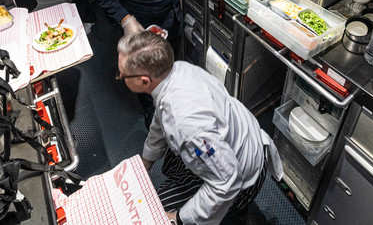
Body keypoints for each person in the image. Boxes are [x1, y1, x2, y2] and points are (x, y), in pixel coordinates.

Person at [117, 31, 283, 225]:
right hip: (230, 139)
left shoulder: (187, 125)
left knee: (160, 215)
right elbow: (160, 119)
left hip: (241, 169)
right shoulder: (176, 69)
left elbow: (226, 182)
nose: (120, 76)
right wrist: (146, 161)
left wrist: (179, 217)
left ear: (144, 81)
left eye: (122, 75)